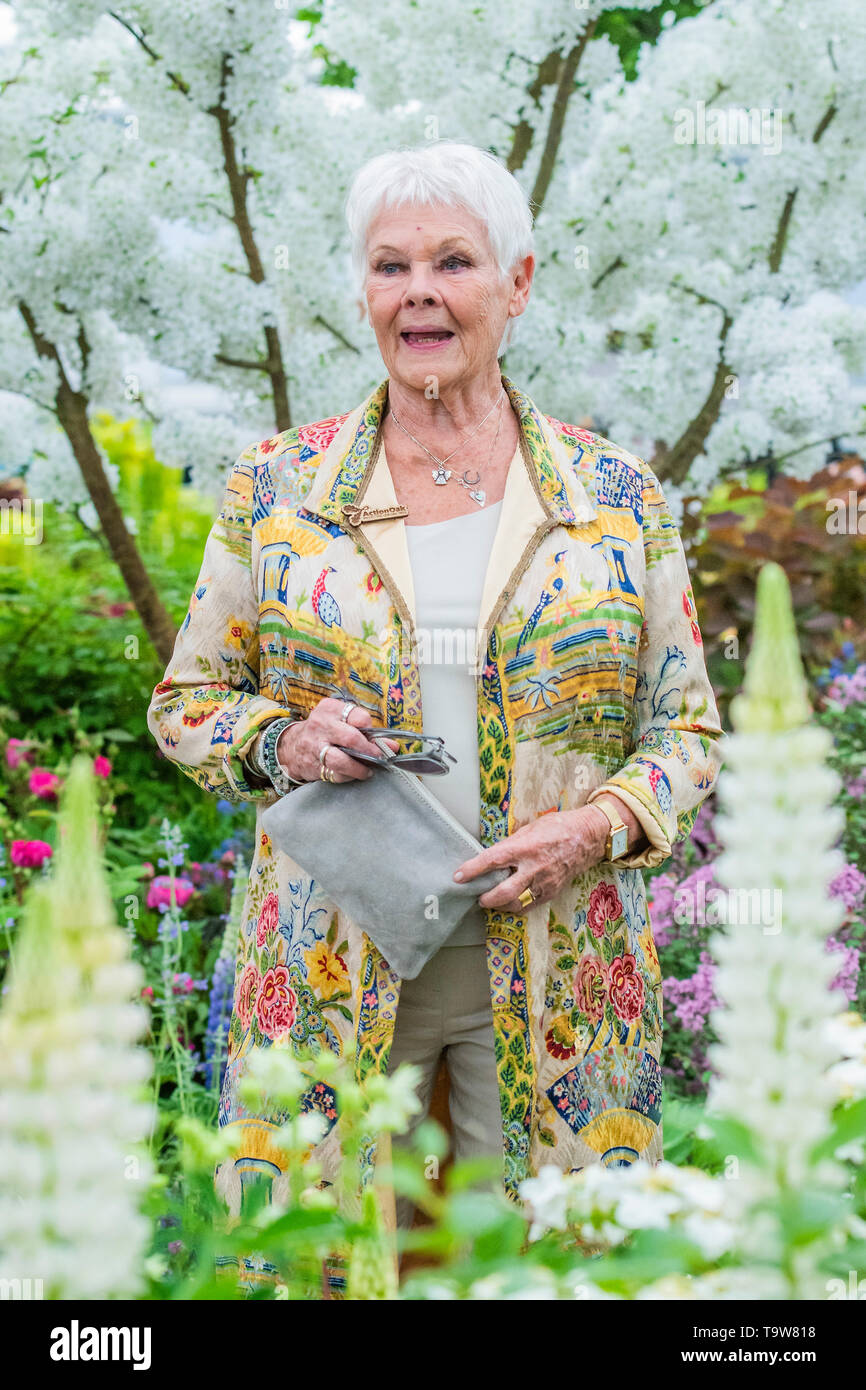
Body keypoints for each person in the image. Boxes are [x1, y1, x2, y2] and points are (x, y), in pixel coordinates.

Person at [147, 140, 724, 1248]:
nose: (418, 291)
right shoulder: (275, 490)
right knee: (331, 1257)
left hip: (558, 965)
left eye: (453, 262)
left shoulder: (615, 499)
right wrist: (283, 738)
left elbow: (687, 730)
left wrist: (595, 827)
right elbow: (187, 703)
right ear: (363, 292)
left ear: (516, 283)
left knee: (546, 1262)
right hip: (327, 963)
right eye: (388, 266)